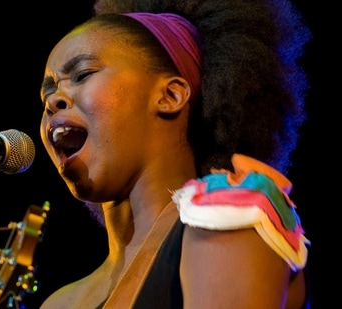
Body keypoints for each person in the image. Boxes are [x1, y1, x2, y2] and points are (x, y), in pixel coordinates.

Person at [37, 0, 312, 308]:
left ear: (171, 96)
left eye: (83, 74)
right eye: (48, 92)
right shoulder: (58, 303)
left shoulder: (232, 218)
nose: (53, 101)